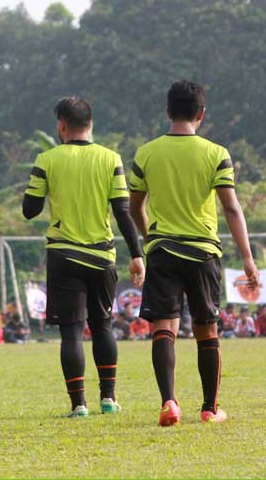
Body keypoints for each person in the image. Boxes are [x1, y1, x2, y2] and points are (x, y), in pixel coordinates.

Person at [129, 80, 259, 426]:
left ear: (168, 111)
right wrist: (247, 257)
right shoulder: (216, 153)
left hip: (163, 251)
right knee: (207, 330)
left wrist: (150, 236)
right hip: (203, 252)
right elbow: (231, 209)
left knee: (163, 328)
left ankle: (169, 402)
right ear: (201, 113)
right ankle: (209, 409)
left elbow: (134, 207)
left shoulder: (146, 153)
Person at [23, 96, 144, 418]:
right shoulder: (110, 158)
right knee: (102, 325)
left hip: (63, 255)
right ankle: (108, 398)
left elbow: (30, 210)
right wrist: (137, 254)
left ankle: (78, 404)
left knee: (71, 332)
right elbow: (122, 211)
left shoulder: (47, 159)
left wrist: (46, 185)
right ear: (90, 125)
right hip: (102, 256)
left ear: (61, 125)